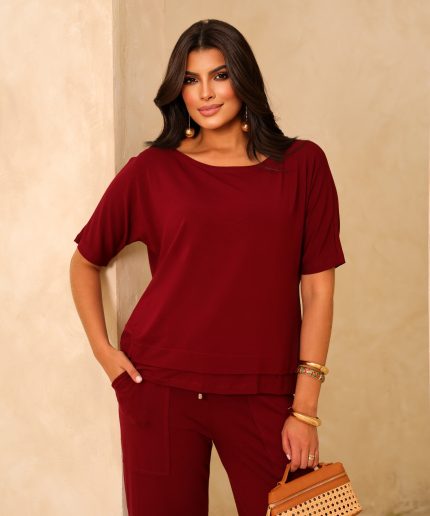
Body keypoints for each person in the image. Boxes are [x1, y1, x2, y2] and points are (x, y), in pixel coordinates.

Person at [69, 18, 346, 516]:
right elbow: (85, 261)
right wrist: (104, 353)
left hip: (265, 390)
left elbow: (318, 291)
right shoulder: (153, 170)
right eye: (191, 79)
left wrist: (305, 409)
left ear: (243, 77)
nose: (205, 93)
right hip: (160, 387)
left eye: (219, 75)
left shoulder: (303, 165)